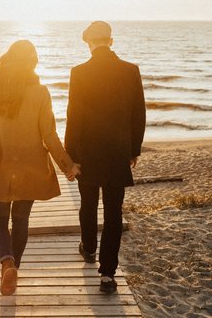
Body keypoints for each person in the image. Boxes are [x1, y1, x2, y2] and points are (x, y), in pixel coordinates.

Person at [0, 39, 80, 296]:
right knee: (21, 219)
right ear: (33, 64)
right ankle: (13, 266)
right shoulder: (41, 92)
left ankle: (7, 262)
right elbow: (49, 136)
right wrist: (67, 166)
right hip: (30, 165)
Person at [65, 21, 146, 294]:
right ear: (110, 41)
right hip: (117, 153)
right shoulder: (130, 71)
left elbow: (73, 117)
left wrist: (70, 157)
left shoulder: (79, 73)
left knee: (88, 205)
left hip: (87, 153)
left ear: (89, 43)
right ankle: (108, 274)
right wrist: (134, 149)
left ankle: (88, 248)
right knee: (113, 213)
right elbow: (138, 114)